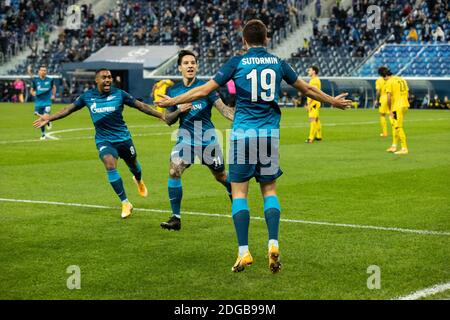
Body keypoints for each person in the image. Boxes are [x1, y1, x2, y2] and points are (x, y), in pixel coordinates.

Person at [156, 20, 352, 273]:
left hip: (243, 134)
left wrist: (173, 100)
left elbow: (203, 90)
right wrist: (332, 101)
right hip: (269, 134)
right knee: (269, 191)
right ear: (267, 39)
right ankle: (273, 243)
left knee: (239, 194)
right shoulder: (278, 63)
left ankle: (244, 252)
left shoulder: (236, 63)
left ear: (243, 41)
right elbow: (305, 89)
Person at [33, 69, 166, 218]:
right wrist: (49, 118)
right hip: (104, 140)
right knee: (109, 164)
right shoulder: (87, 96)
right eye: (104, 77)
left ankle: (138, 180)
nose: (108, 80)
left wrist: (160, 114)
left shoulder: (119, 94)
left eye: (109, 77)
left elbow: (141, 106)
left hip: (124, 139)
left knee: (134, 165)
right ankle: (125, 202)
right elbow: (68, 109)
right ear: (97, 80)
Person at [160, 50, 235, 231]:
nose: (190, 66)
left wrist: (241, 120)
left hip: (208, 141)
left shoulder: (206, 88)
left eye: (193, 62)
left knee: (221, 176)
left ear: (197, 66)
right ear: (180, 68)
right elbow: (168, 120)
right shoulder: (173, 91)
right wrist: (179, 110)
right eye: (186, 63)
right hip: (185, 140)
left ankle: (233, 192)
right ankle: (175, 218)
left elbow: (223, 109)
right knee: (174, 170)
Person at [384, 68, 410, 155]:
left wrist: (390, 110)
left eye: (384, 78)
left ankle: (404, 148)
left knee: (398, 126)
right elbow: (407, 92)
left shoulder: (389, 82)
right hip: (405, 104)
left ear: (386, 76)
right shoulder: (401, 79)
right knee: (395, 125)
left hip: (397, 107)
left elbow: (388, 97)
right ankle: (394, 145)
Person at [30, 65, 56, 140]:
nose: (43, 71)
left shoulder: (50, 80)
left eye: (45, 70)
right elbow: (31, 90)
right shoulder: (35, 80)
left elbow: (54, 87)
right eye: (42, 70)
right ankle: (47, 124)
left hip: (47, 102)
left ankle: (44, 132)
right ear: (39, 71)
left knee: (44, 117)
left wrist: (53, 95)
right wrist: (33, 93)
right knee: (41, 118)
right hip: (38, 102)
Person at [305, 66, 322, 143]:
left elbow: (313, 93)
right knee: (317, 120)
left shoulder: (314, 80)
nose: (308, 72)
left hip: (313, 103)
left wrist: (308, 103)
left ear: (314, 71)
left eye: (310, 70)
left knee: (312, 120)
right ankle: (319, 136)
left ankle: (310, 138)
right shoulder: (314, 80)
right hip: (315, 102)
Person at [375, 66, 391, 137]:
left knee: (382, 115)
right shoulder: (391, 79)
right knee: (392, 114)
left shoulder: (379, 80)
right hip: (391, 97)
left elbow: (378, 91)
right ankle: (396, 130)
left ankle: (385, 133)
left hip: (383, 98)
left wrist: (377, 100)